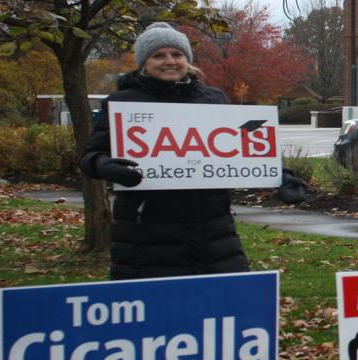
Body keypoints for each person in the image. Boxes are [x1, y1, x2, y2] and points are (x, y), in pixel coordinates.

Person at [80, 24, 259, 280]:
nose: (169, 61)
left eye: (177, 54)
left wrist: (279, 176)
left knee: (223, 306)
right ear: (144, 62)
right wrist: (104, 165)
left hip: (212, 230)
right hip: (145, 232)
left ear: (187, 59)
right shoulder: (123, 102)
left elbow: (242, 149)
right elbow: (90, 156)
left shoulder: (213, 99)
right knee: (154, 312)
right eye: (158, 55)